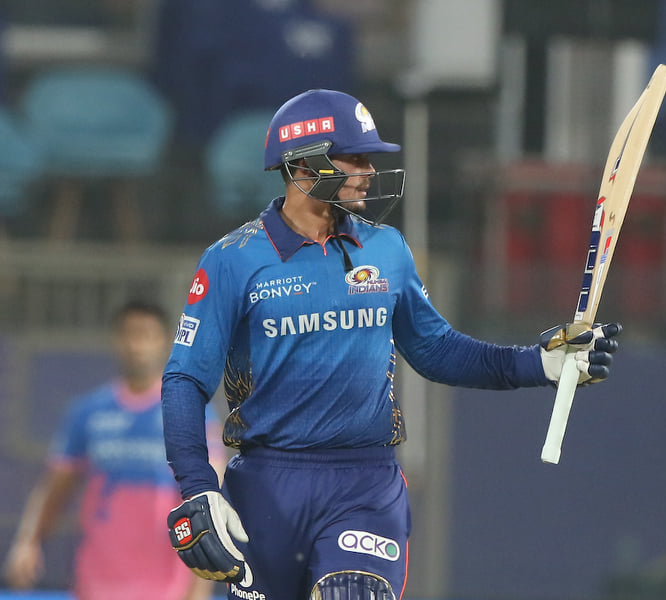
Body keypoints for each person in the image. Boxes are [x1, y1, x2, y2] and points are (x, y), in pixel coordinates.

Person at [162, 89, 622, 600]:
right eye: (354, 158)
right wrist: (198, 485)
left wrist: (538, 365)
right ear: (303, 164)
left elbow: (435, 349)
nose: (368, 172)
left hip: (365, 485)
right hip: (265, 488)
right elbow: (185, 379)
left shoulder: (387, 248)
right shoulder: (232, 260)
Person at [3, 301, 222, 600]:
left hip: (167, 589)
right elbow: (55, 488)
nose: (136, 345)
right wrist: (27, 542)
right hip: (97, 585)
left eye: (146, 335)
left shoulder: (190, 412)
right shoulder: (88, 412)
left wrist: (200, 588)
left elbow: (208, 501)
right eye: (129, 334)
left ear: (164, 341)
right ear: (116, 340)